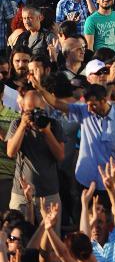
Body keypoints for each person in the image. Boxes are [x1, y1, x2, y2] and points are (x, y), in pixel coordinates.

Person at [5, 89, 64, 222]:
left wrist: (47, 132)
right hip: (22, 195)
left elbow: (60, 156)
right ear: (22, 108)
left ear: (44, 108)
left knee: (49, 239)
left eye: (38, 110)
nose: (34, 115)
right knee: (21, 236)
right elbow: (11, 152)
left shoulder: (54, 125)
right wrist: (22, 126)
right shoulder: (16, 124)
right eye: (29, 111)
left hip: (49, 194)